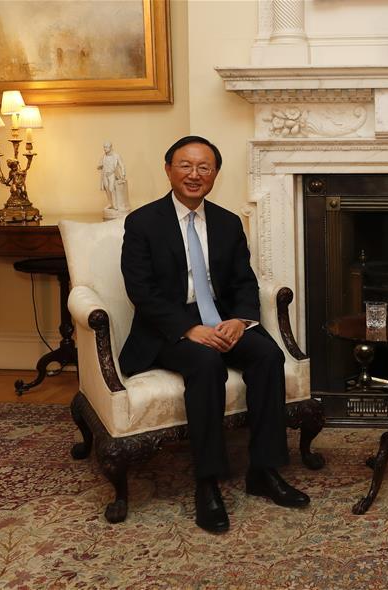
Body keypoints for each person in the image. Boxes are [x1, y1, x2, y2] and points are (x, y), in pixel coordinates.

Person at [119, 136, 309, 534]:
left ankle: (264, 469)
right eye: (185, 165)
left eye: (204, 167)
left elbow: (243, 281)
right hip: (167, 327)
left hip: (222, 318)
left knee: (268, 356)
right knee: (205, 363)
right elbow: (141, 291)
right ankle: (207, 483)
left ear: (215, 174)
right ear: (168, 169)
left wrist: (240, 320)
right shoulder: (143, 223)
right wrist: (188, 329)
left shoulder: (227, 222)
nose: (194, 174)